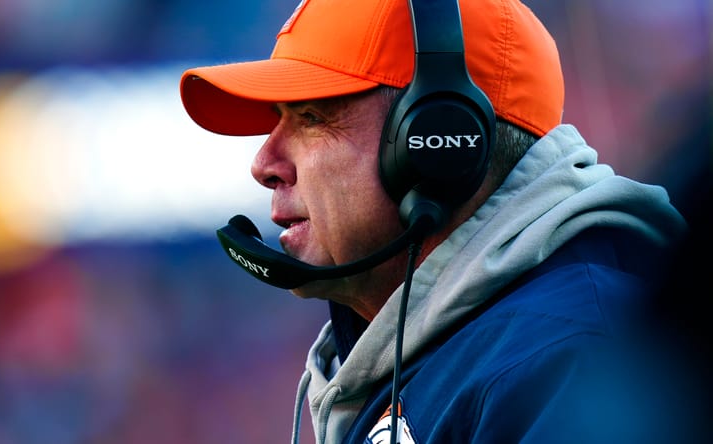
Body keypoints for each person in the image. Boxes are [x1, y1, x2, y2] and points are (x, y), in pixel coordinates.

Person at [178, 0, 698, 443]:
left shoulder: (563, 356)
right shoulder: (455, 351)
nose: (264, 163)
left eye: (312, 118)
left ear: (436, 143)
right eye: (278, 120)